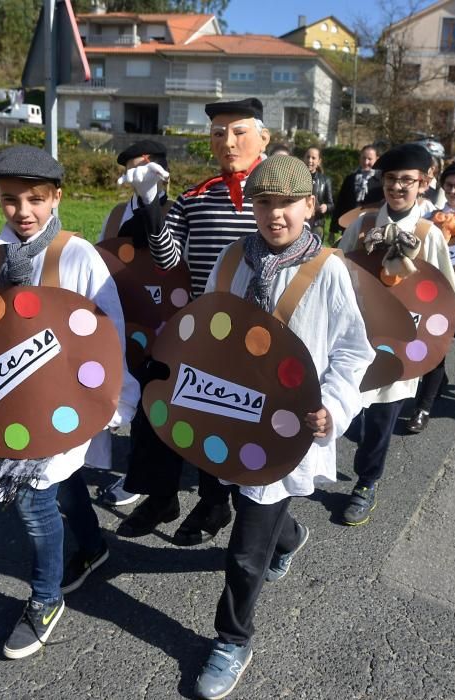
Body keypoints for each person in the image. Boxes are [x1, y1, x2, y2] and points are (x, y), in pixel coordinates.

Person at [0, 145, 140, 659]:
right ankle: (95, 549)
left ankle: (45, 597)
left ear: (56, 196)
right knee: (63, 484)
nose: (24, 212)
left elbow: (109, 331)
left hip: (66, 402)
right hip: (9, 401)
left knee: (36, 501)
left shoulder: (75, 254)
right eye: (10, 200)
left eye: (36, 199)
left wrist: (117, 399)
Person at [193, 155, 374, 699]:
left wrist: (335, 408)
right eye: (264, 202)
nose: (276, 214)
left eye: (288, 203)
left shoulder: (327, 269)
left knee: (246, 549)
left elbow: (352, 350)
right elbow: (204, 330)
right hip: (227, 412)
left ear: (312, 206)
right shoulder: (229, 261)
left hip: (287, 424)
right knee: (257, 514)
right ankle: (291, 537)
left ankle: (232, 639)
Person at [126, 98, 270, 546]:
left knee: (228, 418)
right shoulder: (195, 197)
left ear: (264, 137)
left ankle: (215, 503)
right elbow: (169, 261)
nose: (228, 142)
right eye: (217, 133)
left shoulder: (279, 195)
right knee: (173, 404)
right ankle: (163, 494)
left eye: (239, 131)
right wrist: (151, 203)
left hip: (260, 333)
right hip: (202, 329)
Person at [337, 143, 455, 525]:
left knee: (383, 413)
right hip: (359, 334)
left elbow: (448, 295)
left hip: (402, 341)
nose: (397, 187)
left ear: (423, 184)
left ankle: (366, 482)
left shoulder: (430, 233)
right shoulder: (362, 225)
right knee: (351, 411)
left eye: (407, 181)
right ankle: (358, 457)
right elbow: (338, 271)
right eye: (391, 179)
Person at [89, 139, 171, 507]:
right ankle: (137, 471)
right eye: (130, 168)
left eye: (143, 165)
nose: (134, 174)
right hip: (121, 314)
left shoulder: (173, 210)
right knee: (124, 390)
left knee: (152, 401)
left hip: (162, 319)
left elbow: (169, 262)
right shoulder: (117, 211)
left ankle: (142, 480)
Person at [407, 160, 455, 433]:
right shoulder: (431, 217)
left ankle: (423, 407)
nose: (454, 190)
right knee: (435, 347)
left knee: (439, 345)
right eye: (450, 185)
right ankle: (428, 399)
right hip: (432, 293)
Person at [330, 145, 380, 235]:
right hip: (349, 224)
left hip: (372, 226)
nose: (366, 162)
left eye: (370, 159)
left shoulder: (381, 181)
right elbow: (341, 203)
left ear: (377, 159)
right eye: (363, 158)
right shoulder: (350, 179)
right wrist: (333, 228)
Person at [304, 146, 333, 239]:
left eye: (313, 158)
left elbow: (331, 204)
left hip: (317, 223)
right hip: (300, 221)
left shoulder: (325, 180)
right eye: (308, 157)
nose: (310, 160)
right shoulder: (297, 177)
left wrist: (326, 207)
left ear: (319, 161)